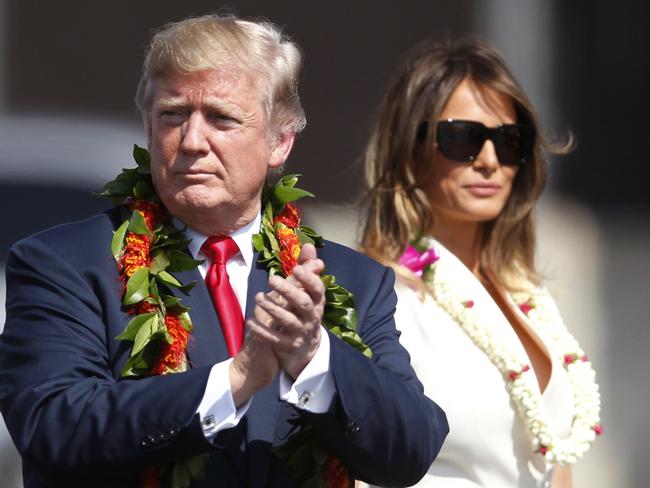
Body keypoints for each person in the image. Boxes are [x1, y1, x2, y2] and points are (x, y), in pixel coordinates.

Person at [0, 14, 448, 488]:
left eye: (222, 118)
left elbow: (410, 449)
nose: (192, 141)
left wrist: (316, 358)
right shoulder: (65, 263)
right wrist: (234, 381)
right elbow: (54, 428)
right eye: (173, 114)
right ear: (149, 129)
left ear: (280, 142)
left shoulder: (345, 277)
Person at [360, 39, 601, 487]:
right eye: (463, 138)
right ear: (410, 148)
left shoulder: (529, 295)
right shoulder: (378, 294)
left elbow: (555, 461)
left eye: (510, 141)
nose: (490, 160)